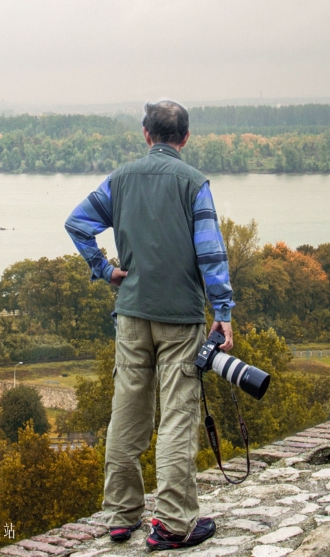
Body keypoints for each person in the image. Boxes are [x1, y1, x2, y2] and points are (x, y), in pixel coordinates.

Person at [65, 100, 234, 552]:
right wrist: (223, 313)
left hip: (132, 315)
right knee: (178, 416)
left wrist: (105, 269)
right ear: (185, 138)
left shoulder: (119, 180)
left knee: (128, 411)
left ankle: (122, 516)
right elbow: (211, 254)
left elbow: (77, 223)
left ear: (146, 134)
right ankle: (174, 523)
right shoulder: (193, 183)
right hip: (180, 317)